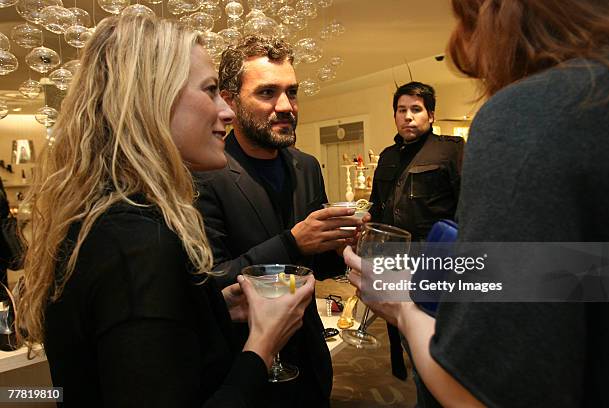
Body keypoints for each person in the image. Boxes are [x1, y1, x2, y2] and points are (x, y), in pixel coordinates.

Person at [16, 15, 315, 407]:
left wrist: (214, 311)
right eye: (209, 91)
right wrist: (262, 346)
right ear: (151, 99)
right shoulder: (138, 244)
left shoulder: (107, 218)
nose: (225, 112)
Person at [345, 0, 609, 406]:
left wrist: (400, 302)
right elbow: (577, 272)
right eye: (400, 110)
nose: (461, 42)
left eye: (469, 17)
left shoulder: (527, 116)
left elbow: (483, 390)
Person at [194, 36, 360, 408]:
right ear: (230, 101)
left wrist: (342, 246)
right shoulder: (206, 174)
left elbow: (316, 263)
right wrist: (295, 241)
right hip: (245, 369)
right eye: (267, 92)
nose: (286, 106)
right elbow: (211, 284)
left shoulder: (306, 167)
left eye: (292, 92)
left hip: (312, 360)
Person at [369, 81, 463, 384]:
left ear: (431, 115)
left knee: (437, 337)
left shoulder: (451, 150)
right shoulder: (387, 156)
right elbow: (377, 206)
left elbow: (467, 206)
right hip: (393, 261)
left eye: (416, 109)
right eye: (401, 110)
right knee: (402, 329)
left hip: (435, 262)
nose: (408, 116)